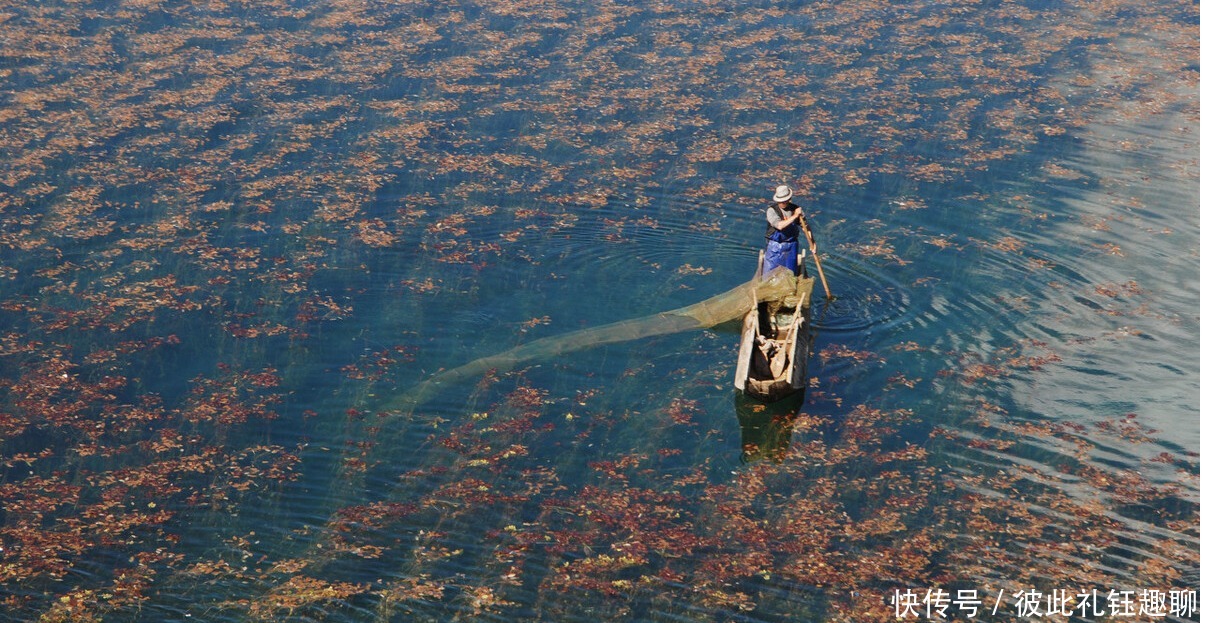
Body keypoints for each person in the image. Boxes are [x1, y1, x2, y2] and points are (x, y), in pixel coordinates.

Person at [763, 184, 815, 277]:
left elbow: (806, 228)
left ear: (788, 199)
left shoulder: (795, 209)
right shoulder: (771, 211)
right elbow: (780, 226)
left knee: (790, 273)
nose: (782, 203)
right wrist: (795, 216)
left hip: (791, 246)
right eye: (780, 201)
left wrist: (812, 243)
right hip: (775, 246)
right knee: (770, 275)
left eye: (784, 201)